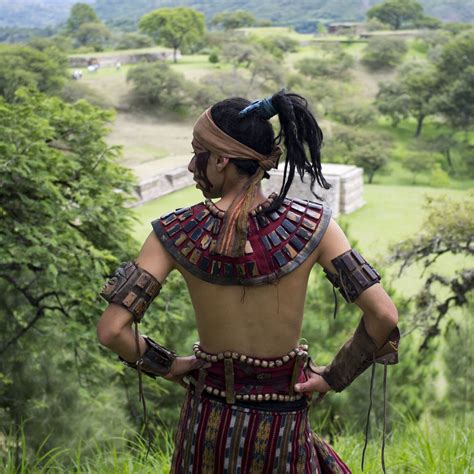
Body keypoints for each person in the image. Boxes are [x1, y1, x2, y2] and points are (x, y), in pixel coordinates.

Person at [97, 90, 400, 473]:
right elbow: (384, 315)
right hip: (283, 426)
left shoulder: (173, 233)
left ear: (222, 159)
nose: (192, 165)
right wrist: (334, 375)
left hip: (206, 425)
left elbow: (112, 331)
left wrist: (171, 367)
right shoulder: (316, 227)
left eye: (198, 152)